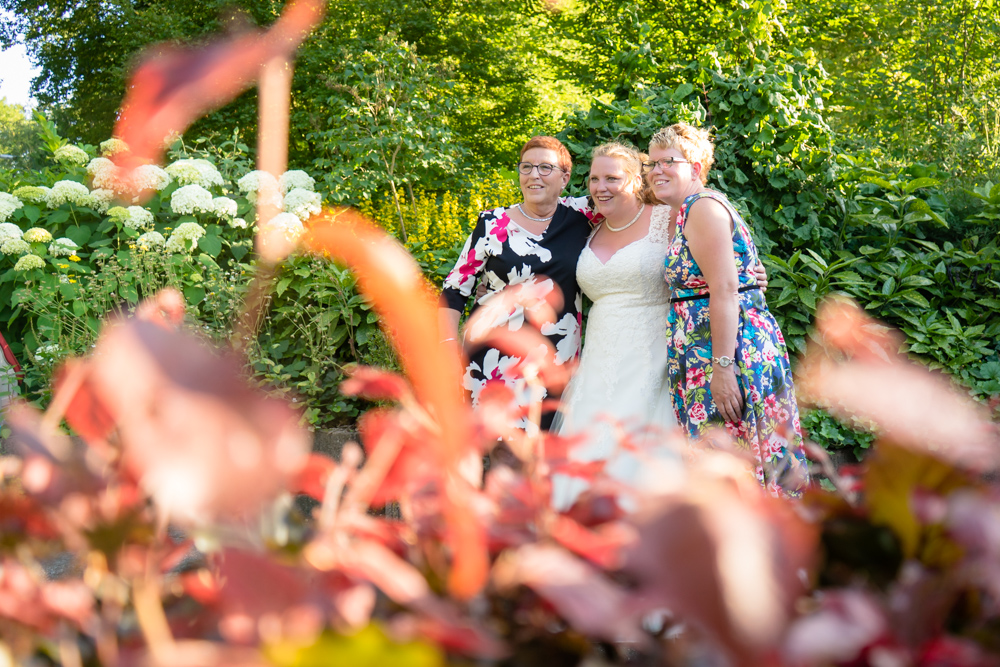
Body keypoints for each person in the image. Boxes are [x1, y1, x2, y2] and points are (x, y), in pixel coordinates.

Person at [652, 123, 809, 495]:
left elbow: (723, 290)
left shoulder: (702, 208)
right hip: (708, 348)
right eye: (651, 163)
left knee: (738, 460)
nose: (656, 170)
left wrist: (722, 369)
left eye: (667, 162)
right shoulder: (686, 211)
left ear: (695, 166)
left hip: (729, 350)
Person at [552, 142, 678, 506]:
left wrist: (749, 275)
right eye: (594, 178)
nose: (600, 186)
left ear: (636, 179)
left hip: (652, 354)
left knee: (641, 446)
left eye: (612, 177)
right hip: (598, 358)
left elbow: (711, 257)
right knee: (590, 442)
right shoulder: (589, 228)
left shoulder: (665, 218)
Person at [439, 136, 594, 430]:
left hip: (555, 356)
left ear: (565, 176)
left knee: (544, 446)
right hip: (492, 356)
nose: (534, 175)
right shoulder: (492, 223)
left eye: (546, 167)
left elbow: (630, 198)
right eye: (527, 167)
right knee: (500, 446)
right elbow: (455, 288)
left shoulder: (583, 215)